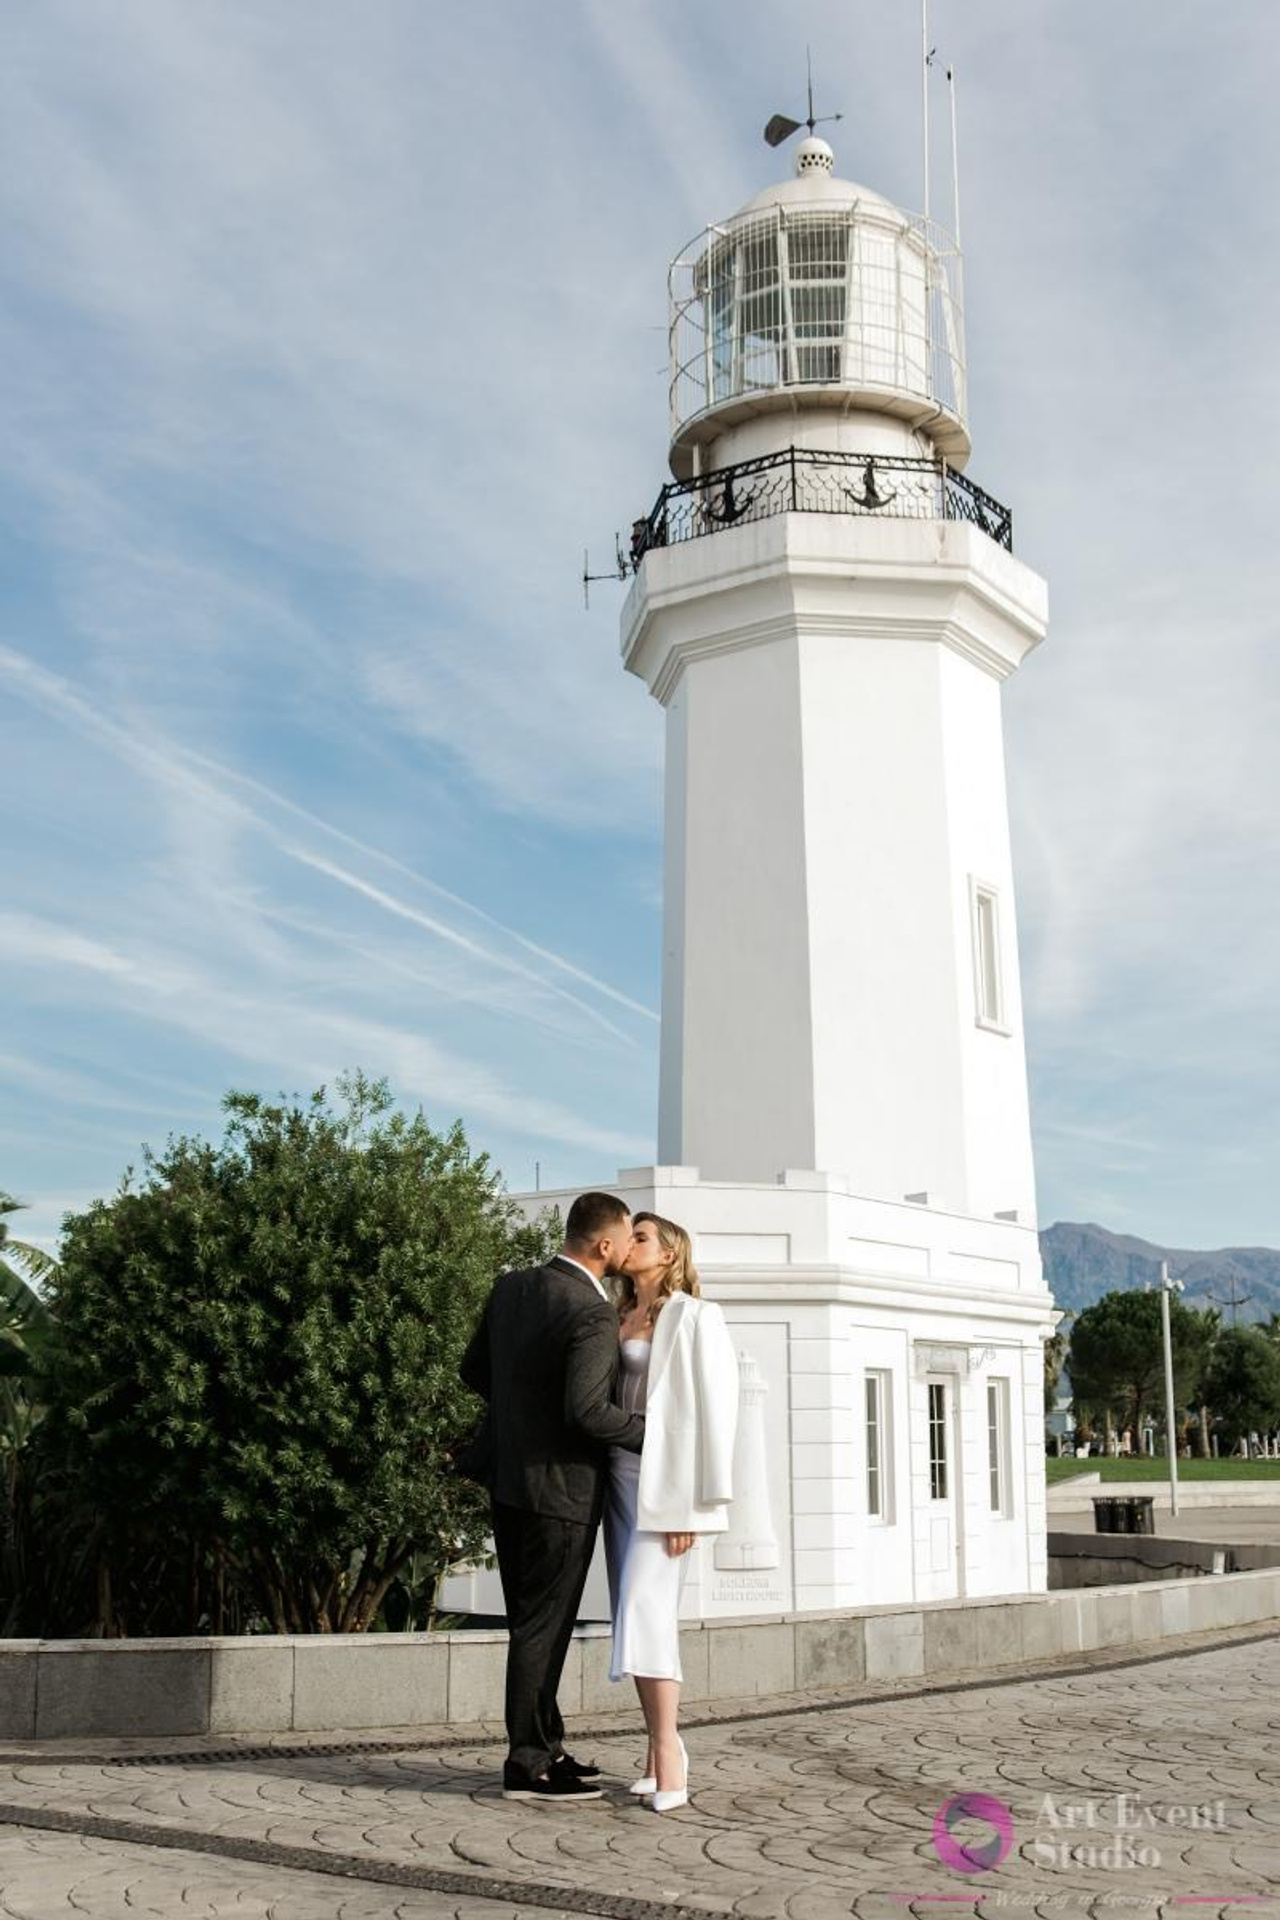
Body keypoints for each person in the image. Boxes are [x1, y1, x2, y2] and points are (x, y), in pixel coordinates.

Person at [460, 1191, 644, 1802]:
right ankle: (528, 1764)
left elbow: (473, 1372)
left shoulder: (511, 1286)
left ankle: (548, 1745)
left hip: (509, 1481)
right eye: (623, 1240)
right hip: (561, 1491)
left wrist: (522, 1411)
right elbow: (588, 1412)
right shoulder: (590, 1313)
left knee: (531, 1622)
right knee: (543, 1627)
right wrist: (659, 1436)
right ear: (605, 1245)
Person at [605, 1212, 739, 1814]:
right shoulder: (616, 1314)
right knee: (636, 1618)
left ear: (668, 1253)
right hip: (616, 1478)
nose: (629, 1244)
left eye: (641, 1237)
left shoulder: (696, 1316)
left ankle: (671, 1751)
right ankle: (654, 1756)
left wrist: (696, 1501)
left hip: (667, 1489)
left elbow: (717, 1409)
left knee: (645, 1607)